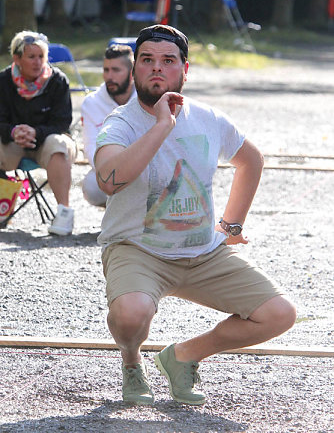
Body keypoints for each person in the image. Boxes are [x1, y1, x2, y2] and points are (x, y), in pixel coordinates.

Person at [94, 24, 296, 406]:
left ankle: (183, 357)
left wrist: (232, 226)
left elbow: (251, 160)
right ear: (135, 68)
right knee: (130, 315)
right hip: (138, 250)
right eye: (147, 60)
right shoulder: (120, 123)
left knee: (280, 314)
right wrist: (162, 125)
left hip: (203, 253)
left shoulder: (208, 118)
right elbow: (108, 180)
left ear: (185, 71)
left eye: (168, 61)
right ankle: (132, 362)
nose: (157, 68)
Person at [0, 30, 76, 235]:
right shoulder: (3, 81)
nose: (37, 62)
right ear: (17, 58)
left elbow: (62, 122)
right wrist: (14, 131)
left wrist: (36, 132)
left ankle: (64, 213)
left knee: (58, 144)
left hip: (47, 141)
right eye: (31, 56)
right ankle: (2, 205)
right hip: (12, 142)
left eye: (41, 56)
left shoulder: (58, 80)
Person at [81, 44, 136, 207]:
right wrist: (114, 172)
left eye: (116, 70)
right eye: (106, 70)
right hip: (110, 170)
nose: (109, 76)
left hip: (145, 168)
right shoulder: (91, 103)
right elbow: (90, 147)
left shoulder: (148, 99)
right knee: (91, 186)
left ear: (132, 73)